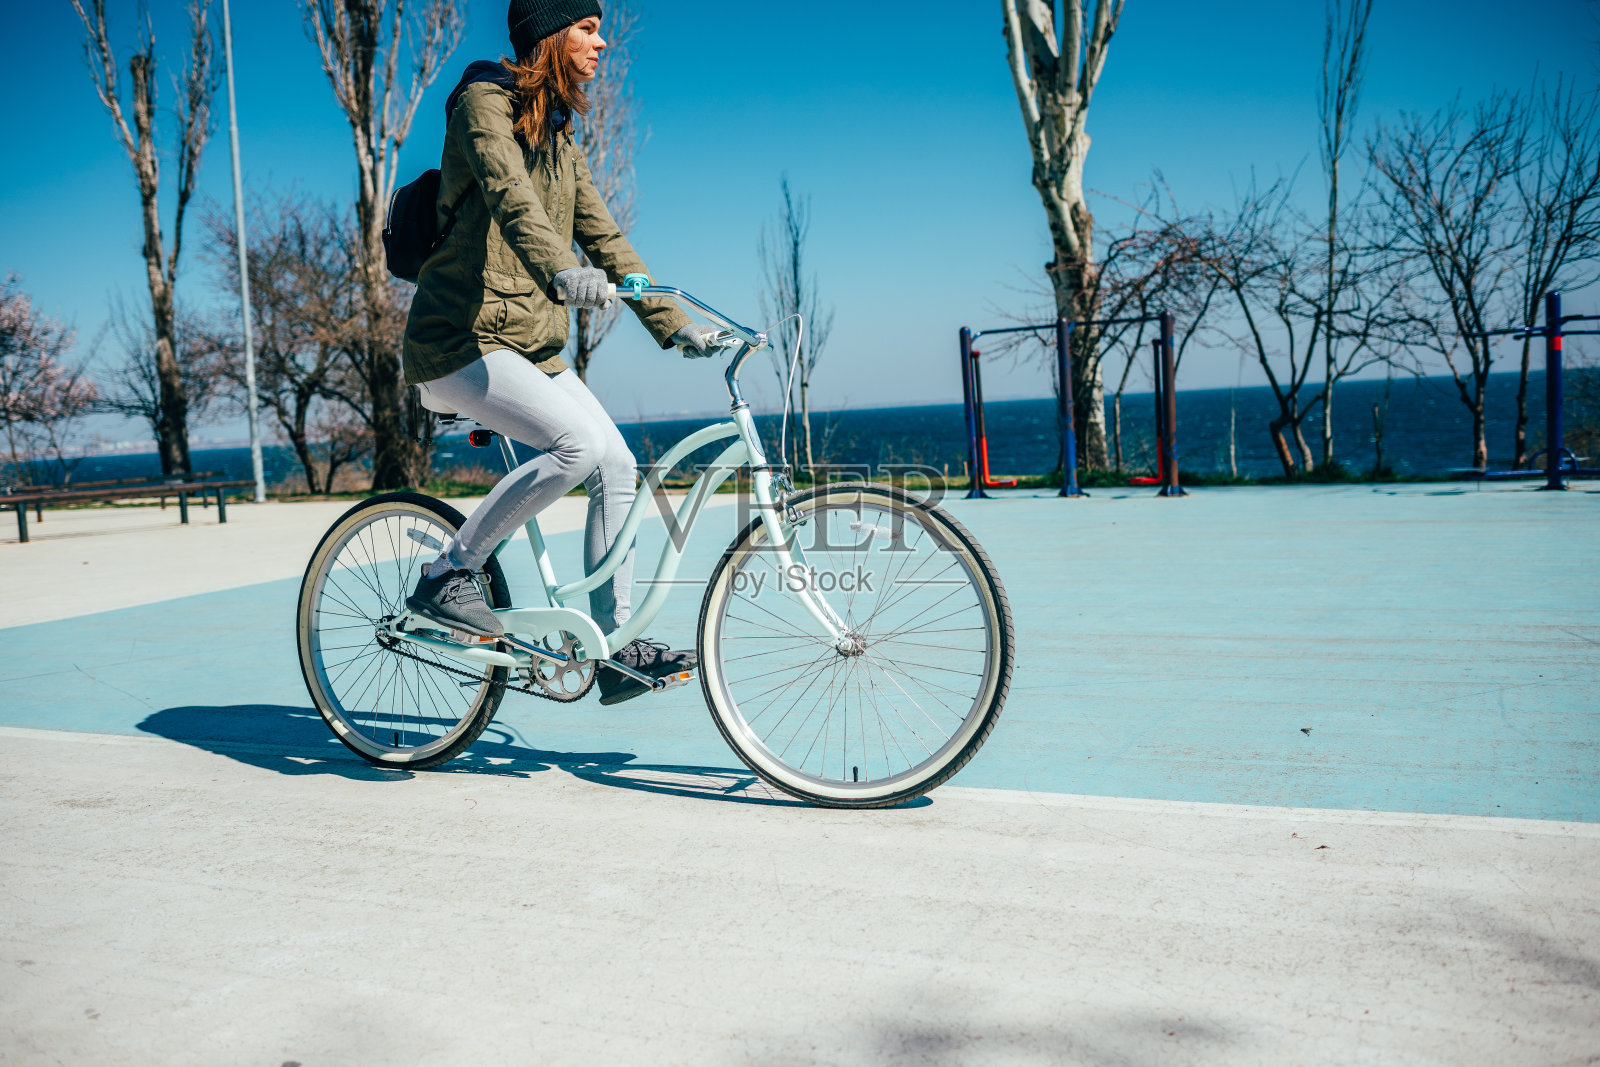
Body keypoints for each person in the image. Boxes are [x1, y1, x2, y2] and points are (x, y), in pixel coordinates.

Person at [401, 0, 720, 706]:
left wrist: (677, 323)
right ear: (550, 33)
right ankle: (445, 574)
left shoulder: (561, 142)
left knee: (616, 463)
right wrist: (559, 271)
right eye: (587, 27)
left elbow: (608, 240)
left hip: (530, 347)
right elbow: (510, 198)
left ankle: (611, 646)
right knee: (576, 444)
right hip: (458, 338)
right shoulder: (480, 104)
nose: (602, 42)